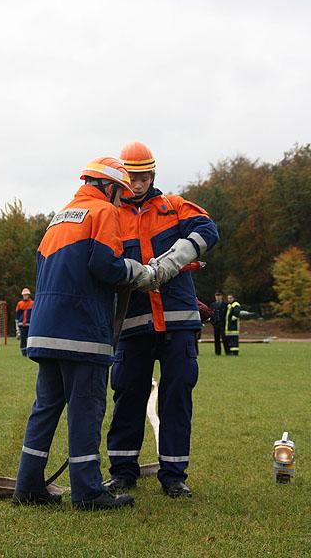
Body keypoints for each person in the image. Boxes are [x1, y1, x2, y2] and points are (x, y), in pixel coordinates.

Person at [12, 156, 155, 511]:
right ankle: (88, 492)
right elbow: (105, 265)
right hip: (82, 332)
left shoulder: (61, 216)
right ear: (109, 187)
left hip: (45, 331)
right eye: (120, 193)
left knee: (45, 409)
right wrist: (135, 271)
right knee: (86, 411)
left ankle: (27, 486)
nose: (122, 201)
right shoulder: (102, 211)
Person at [105, 141, 219, 499]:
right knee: (127, 396)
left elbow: (208, 230)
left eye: (144, 178)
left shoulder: (174, 206)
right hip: (133, 326)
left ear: (153, 175)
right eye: (132, 178)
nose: (138, 185)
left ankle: (174, 476)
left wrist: (173, 260)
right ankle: (122, 472)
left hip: (178, 323)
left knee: (177, 398)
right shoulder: (110, 215)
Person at [15, 288, 34, 356]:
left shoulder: (32, 303)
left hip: (30, 325)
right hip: (21, 325)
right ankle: (24, 353)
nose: (25, 296)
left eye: (26, 295)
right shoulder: (19, 304)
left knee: (30, 339)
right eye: (24, 295)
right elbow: (17, 315)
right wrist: (17, 327)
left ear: (28, 295)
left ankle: (30, 352)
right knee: (23, 339)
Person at [210, 291, 228, 356]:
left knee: (224, 338)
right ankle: (217, 352)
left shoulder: (225, 305)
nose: (218, 297)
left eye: (219, 295)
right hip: (216, 324)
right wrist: (213, 322)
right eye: (216, 296)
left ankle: (227, 351)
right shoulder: (212, 305)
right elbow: (211, 314)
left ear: (221, 296)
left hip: (222, 323)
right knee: (216, 338)